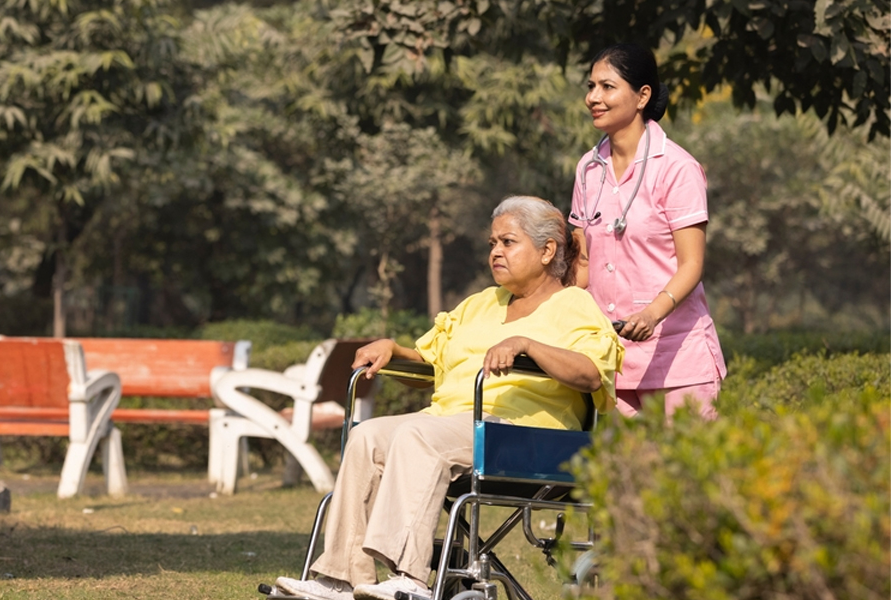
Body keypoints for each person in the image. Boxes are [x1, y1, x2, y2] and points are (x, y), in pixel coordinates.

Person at [275, 196, 623, 600]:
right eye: (492, 243)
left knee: (418, 436)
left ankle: (410, 577)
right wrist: (394, 350)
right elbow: (431, 363)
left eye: (508, 242)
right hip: (453, 422)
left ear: (547, 251)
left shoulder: (574, 305)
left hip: (526, 435)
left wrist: (527, 345)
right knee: (367, 436)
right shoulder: (480, 304)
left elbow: (590, 373)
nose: (495, 252)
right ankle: (339, 578)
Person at [569, 43, 726, 420]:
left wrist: (652, 314)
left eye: (607, 87)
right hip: (611, 360)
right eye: (591, 87)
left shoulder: (677, 168)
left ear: (642, 96)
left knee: (686, 476)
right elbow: (582, 263)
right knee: (624, 477)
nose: (594, 97)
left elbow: (691, 265)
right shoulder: (587, 170)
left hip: (678, 357)